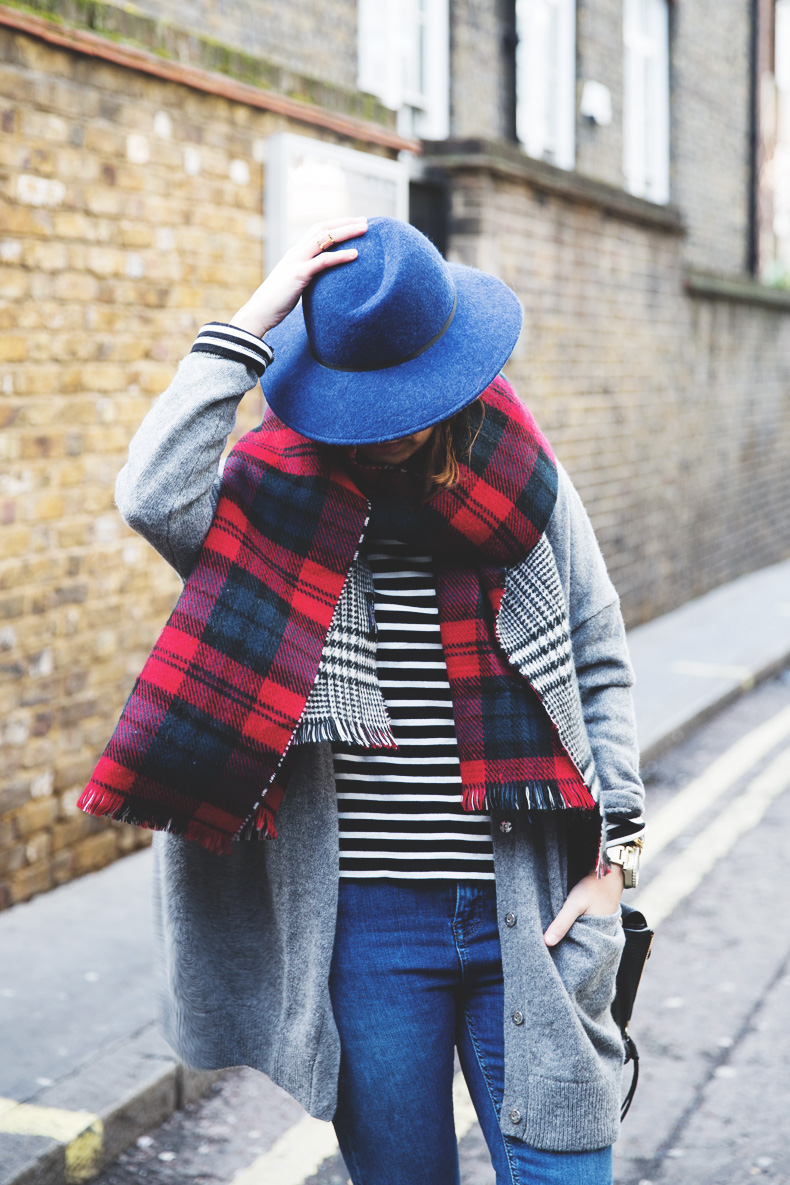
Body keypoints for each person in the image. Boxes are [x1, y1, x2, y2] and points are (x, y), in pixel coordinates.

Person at [79, 215, 645, 1185]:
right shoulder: (267, 499)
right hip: (367, 923)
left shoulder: (522, 481)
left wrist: (620, 859)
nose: (392, 424)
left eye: (409, 398)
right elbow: (150, 494)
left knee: (564, 1171)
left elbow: (597, 655)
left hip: (531, 903)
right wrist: (255, 319)